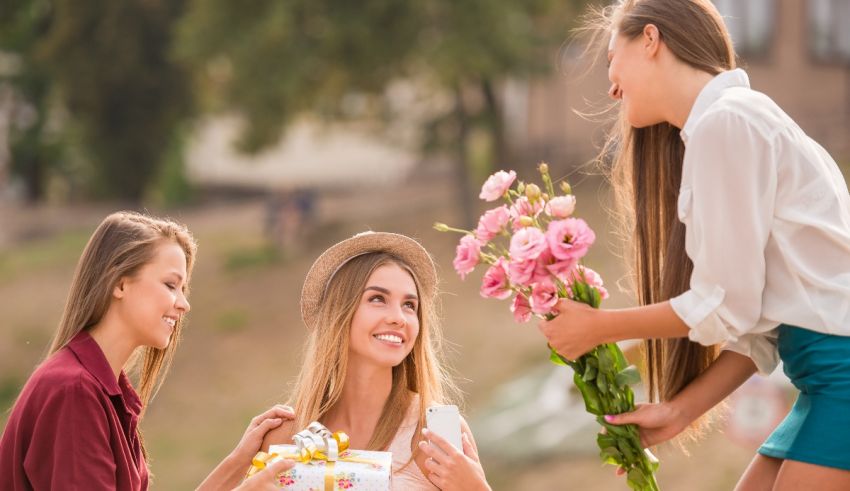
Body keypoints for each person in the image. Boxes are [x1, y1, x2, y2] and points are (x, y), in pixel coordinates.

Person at [536, 0, 850, 489]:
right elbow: (755, 324)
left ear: (651, 40)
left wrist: (601, 328)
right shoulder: (732, 123)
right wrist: (680, 410)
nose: (610, 84)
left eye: (610, 60)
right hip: (825, 380)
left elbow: (721, 305)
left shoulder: (729, 123)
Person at [0, 211, 294, 490]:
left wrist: (240, 462)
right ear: (120, 284)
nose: (183, 303)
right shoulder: (75, 392)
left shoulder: (105, 393)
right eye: (170, 285)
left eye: (183, 289)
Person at [262, 231, 491, 490]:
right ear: (340, 313)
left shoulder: (435, 437)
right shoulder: (286, 436)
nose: (398, 318)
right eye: (378, 299)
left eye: (409, 305)